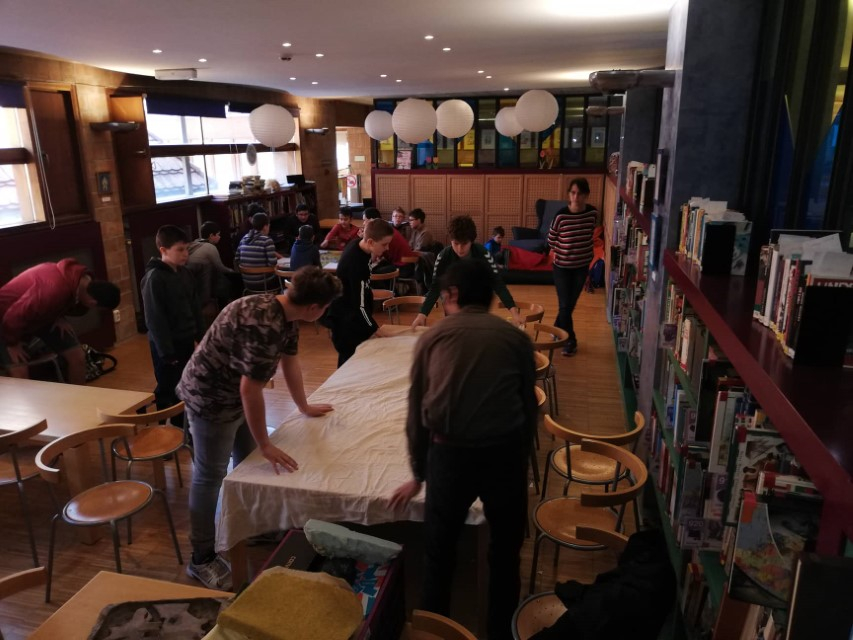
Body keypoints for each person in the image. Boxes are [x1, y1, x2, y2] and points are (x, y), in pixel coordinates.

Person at [390, 259, 537, 640]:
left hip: (449, 456)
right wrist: (520, 463)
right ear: (491, 297)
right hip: (504, 455)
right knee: (505, 555)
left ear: (452, 295)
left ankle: (434, 630)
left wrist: (419, 472)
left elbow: (416, 412)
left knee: (439, 552)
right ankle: (501, 632)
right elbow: (528, 408)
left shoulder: (433, 338)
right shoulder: (516, 339)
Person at [177, 266, 341, 590]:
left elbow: (290, 362)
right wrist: (265, 444)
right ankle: (201, 558)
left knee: (248, 466)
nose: (324, 313)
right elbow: (249, 390)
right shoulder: (265, 324)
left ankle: (251, 528)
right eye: (325, 307)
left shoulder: (285, 314)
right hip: (209, 400)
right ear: (313, 308)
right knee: (210, 477)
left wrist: (304, 406)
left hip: (233, 396)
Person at [0, 259, 120, 385]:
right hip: (6, 320)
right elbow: (13, 315)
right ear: (93, 303)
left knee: (78, 357)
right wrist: (12, 343)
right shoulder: (52, 290)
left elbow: (62, 301)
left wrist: (58, 315)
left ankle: (78, 395)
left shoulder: (82, 281)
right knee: (20, 373)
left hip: (39, 316)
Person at [412, 215, 521, 328]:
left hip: (477, 303)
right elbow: (435, 287)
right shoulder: (443, 256)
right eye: (456, 243)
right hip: (453, 303)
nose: (460, 249)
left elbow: (497, 283)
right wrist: (422, 314)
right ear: (451, 241)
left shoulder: (482, 253)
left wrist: (514, 312)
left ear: (471, 241)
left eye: (464, 244)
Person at [141, 225, 205, 412]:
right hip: (167, 345)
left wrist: (201, 337)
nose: (185, 254)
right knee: (168, 387)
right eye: (180, 250)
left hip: (186, 340)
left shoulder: (185, 273)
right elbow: (155, 320)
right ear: (163, 250)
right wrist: (167, 352)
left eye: (187, 249)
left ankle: (183, 423)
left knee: (186, 384)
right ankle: (163, 422)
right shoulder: (154, 278)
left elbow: (195, 309)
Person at [324, 218, 394, 367]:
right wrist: (374, 328)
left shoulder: (360, 246)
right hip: (346, 322)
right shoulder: (356, 264)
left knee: (356, 364)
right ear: (370, 242)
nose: (387, 248)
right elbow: (359, 305)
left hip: (354, 317)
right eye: (384, 244)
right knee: (349, 365)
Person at [548, 178, 597, 356]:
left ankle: (557, 328)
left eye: (580, 194)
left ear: (586, 195)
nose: (576, 197)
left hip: (581, 267)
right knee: (564, 305)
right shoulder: (561, 216)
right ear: (569, 194)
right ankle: (570, 341)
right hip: (562, 266)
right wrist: (561, 250)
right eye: (573, 193)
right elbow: (551, 239)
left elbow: (590, 234)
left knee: (569, 305)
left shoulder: (592, 213)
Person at [187, 221, 239, 310]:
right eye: (218, 234)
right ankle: (225, 309)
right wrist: (232, 271)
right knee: (227, 280)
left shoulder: (195, 242)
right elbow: (221, 268)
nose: (220, 237)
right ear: (211, 235)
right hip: (202, 285)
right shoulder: (210, 247)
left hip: (193, 282)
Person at [236, 209, 281, 292]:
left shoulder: (244, 239)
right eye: (269, 225)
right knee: (285, 278)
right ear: (265, 226)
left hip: (247, 283)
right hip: (265, 283)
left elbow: (237, 259)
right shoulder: (267, 240)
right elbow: (272, 263)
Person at [362, 208, 415, 275]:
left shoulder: (379, 232)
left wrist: (365, 238)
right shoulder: (385, 229)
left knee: (370, 273)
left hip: (404, 267)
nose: (363, 223)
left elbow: (372, 259)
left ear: (371, 220)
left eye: (364, 220)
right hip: (406, 265)